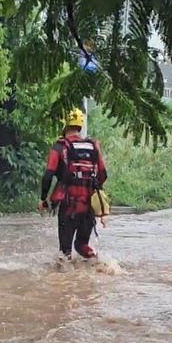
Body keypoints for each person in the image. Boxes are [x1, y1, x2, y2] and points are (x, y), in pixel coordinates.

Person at [38, 108, 108, 260]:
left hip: (68, 205)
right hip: (89, 206)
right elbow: (103, 175)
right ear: (80, 126)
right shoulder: (92, 146)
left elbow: (48, 175)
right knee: (81, 245)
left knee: (65, 251)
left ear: (65, 125)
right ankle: (97, 262)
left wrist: (43, 199)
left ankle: (64, 279)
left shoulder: (60, 146)